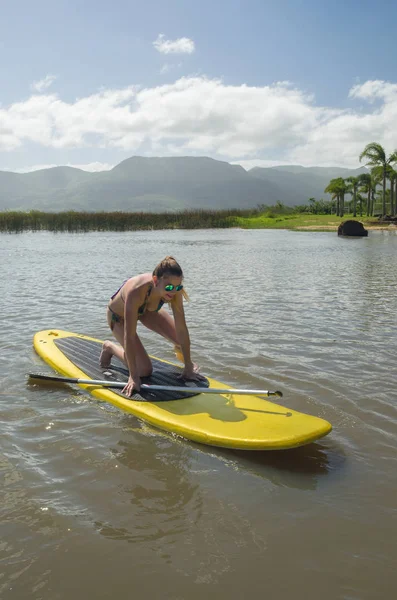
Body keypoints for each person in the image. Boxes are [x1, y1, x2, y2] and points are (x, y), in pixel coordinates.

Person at [100, 256, 204, 396]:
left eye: (177, 287)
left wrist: (188, 366)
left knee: (180, 341)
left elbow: (182, 328)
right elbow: (129, 336)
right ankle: (109, 347)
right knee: (144, 370)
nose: (173, 291)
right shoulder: (136, 291)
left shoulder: (175, 291)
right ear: (156, 280)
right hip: (119, 318)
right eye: (168, 287)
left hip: (146, 311)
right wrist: (133, 377)